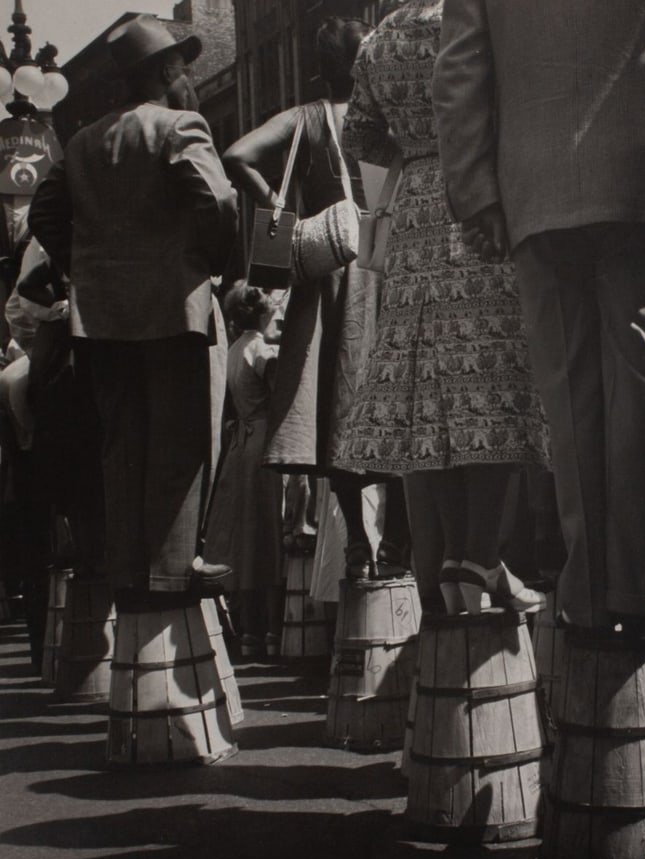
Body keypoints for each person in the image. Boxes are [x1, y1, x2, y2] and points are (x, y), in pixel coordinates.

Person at [433, 0, 645, 630]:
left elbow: (458, 69)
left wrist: (476, 191)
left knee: (572, 398)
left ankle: (586, 590)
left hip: (537, 186)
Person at [330, 0, 549, 616]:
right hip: (481, 193)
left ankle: (460, 558)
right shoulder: (482, 18)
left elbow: (360, 137)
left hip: (416, 212)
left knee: (430, 396)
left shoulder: (382, 37)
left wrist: (415, 143)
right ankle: (480, 556)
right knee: (494, 381)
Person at [28, 15, 238, 606]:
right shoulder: (178, 126)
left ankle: (129, 572)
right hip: (174, 309)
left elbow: (45, 215)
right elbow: (219, 202)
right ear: (167, 71)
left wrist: (85, 266)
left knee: (122, 444)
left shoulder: (83, 140)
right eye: (184, 68)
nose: (190, 80)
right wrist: (204, 262)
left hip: (101, 319)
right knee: (180, 437)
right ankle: (172, 570)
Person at [222, 17, 403, 583]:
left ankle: (356, 543)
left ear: (321, 70)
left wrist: (278, 203)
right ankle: (396, 543)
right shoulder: (390, 117)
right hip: (386, 267)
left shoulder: (308, 119)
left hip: (328, 277)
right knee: (398, 407)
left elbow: (237, 154)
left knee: (335, 408)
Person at [204, 282, 284, 658]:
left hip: (241, 446)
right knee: (269, 534)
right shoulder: (260, 350)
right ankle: (271, 630)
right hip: (265, 440)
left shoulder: (234, 350)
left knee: (248, 538)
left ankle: (251, 631)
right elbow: (278, 392)